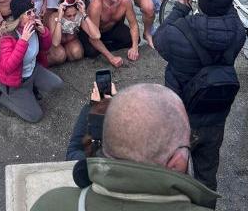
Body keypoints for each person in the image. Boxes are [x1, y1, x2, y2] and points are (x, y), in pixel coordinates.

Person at [31, 84, 218, 211]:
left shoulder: (50, 204)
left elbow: (77, 149)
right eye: (189, 141)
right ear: (176, 162)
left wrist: (101, 108)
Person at [155, 0, 246, 197]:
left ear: (200, 3)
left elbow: (159, 40)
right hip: (215, 114)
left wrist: (180, 7)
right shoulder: (238, 32)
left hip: (181, 115)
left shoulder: (180, 32)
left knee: (175, 174)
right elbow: (228, 7)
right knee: (207, 175)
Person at [0, 0, 64, 123]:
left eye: (33, 11)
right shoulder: (8, 37)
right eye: (28, 13)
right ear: (19, 19)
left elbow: (46, 47)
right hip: (15, 82)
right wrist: (23, 41)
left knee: (58, 84)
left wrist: (44, 32)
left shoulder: (34, 28)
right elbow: (7, 67)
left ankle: (30, 89)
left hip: (32, 71)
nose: (33, 15)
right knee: (35, 116)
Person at [80, 0, 142, 66]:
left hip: (110, 29)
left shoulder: (125, 0)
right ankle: (104, 48)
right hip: (94, 32)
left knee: (133, 39)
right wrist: (111, 58)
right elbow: (93, 36)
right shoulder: (96, 5)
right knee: (91, 52)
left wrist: (135, 48)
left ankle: (105, 46)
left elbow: (133, 25)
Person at [47, 0, 94, 66]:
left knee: (77, 53)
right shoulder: (53, 17)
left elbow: (94, 35)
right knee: (60, 56)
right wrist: (59, 19)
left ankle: (68, 58)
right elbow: (55, 43)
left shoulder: (78, 13)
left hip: (71, 41)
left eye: (74, 15)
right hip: (57, 44)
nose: (72, 18)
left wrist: (84, 13)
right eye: (69, 16)